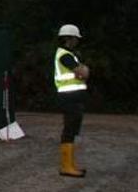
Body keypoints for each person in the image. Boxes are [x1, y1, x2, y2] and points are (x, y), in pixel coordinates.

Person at [55, 24, 90, 178]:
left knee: (72, 130)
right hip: (69, 98)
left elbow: (81, 73)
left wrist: (82, 71)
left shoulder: (69, 54)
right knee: (69, 130)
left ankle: (69, 164)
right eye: (76, 38)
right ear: (69, 38)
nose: (77, 41)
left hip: (72, 97)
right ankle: (66, 166)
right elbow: (82, 72)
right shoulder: (65, 55)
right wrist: (84, 71)